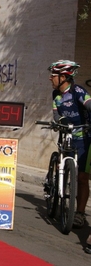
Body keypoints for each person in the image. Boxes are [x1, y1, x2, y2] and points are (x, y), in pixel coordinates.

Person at [48, 60, 91, 230]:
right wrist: (60, 120)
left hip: (83, 138)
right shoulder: (55, 95)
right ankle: (55, 188)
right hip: (65, 136)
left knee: (82, 178)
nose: (50, 78)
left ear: (64, 77)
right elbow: (55, 114)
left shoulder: (77, 91)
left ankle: (79, 213)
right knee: (61, 166)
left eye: (53, 75)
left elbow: (88, 104)